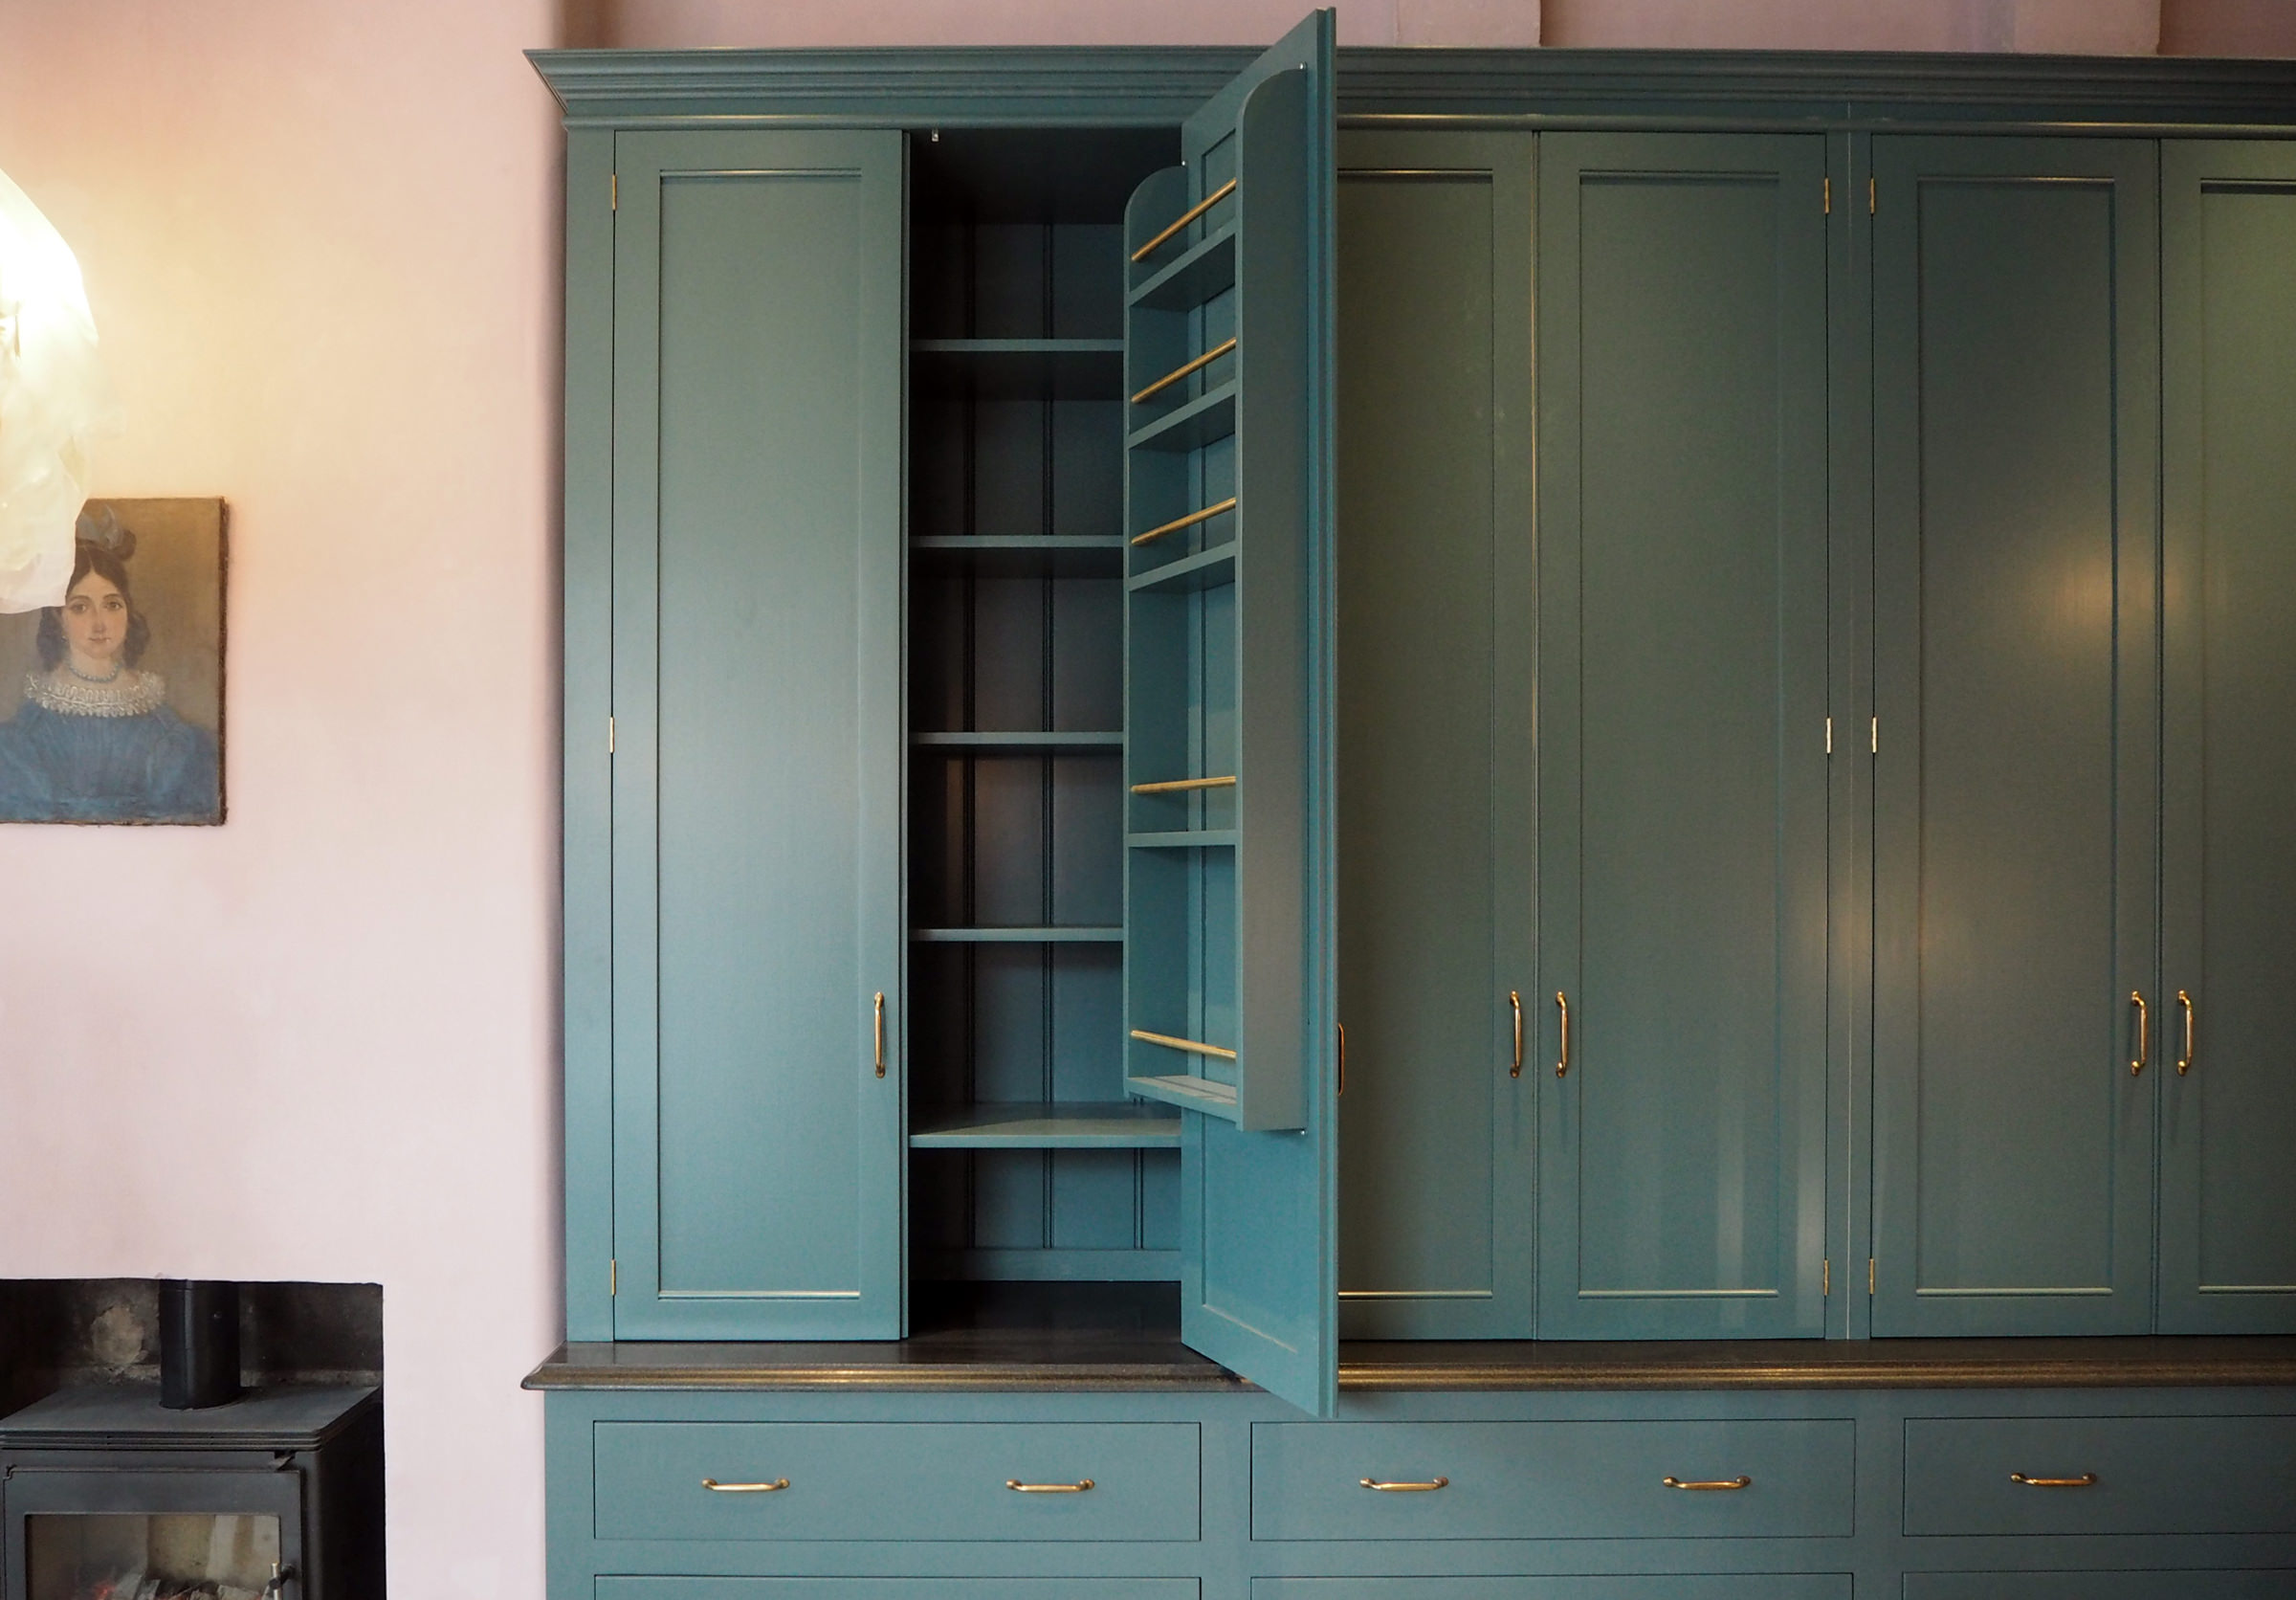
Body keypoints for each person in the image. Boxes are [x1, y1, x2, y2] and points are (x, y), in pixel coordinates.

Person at [0, 508, 219, 823]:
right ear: (56, 618)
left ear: (128, 611)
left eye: (112, 604)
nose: (99, 623)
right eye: (80, 607)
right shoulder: (22, 738)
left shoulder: (173, 735)